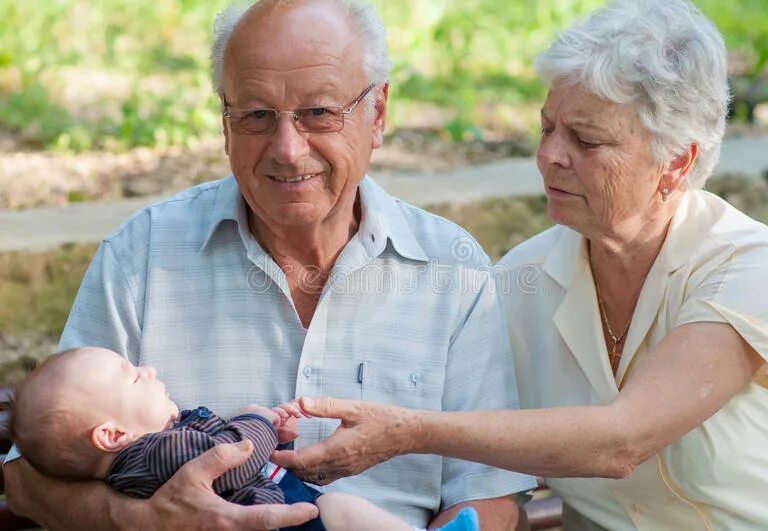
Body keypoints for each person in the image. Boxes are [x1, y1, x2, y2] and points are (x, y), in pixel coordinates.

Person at [3, 0, 535, 529]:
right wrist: (146, 519)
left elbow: (489, 494)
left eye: (320, 113)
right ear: (224, 122)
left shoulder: (452, 267)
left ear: (377, 114)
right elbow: (26, 478)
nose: (286, 148)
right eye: (257, 115)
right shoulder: (142, 254)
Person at [268, 0, 768, 529]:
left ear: (677, 161)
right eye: (548, 129)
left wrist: (408, 431)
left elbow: (621, 442)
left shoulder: (746, 267)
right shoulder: (520, 282)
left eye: (587, 141)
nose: (549, 157)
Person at [10, 347, 479, 531]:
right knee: (343, 512)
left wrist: (279, 446)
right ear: (112, 434)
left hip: (281, 505)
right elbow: (233, 459)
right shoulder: (153, 454)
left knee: (343, 511)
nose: (149, 370)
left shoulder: (151, 451)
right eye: (134, 378)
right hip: (280, 522)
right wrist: (258, 420)